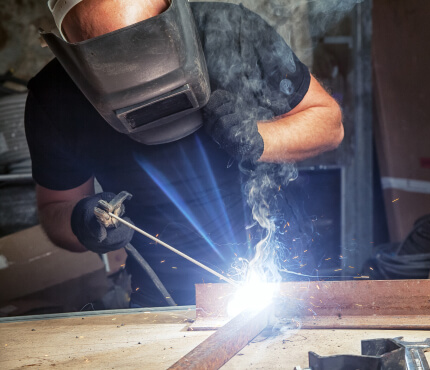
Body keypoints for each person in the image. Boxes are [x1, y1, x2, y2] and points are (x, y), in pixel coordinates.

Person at [24, 0, 343, 307]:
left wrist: (258, 138)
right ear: (72, 46)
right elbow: (56, 208)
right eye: (104, 55)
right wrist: (82, 221)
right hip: (161, 296)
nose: (134, 67)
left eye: (143, 40)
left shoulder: (231, 31)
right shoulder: (56, 95)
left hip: (280, 275)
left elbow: (329, 124)